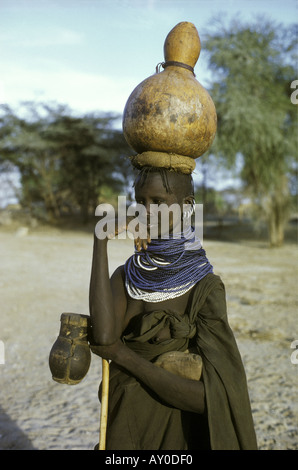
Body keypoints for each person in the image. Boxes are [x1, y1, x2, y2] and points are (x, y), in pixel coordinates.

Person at [89, 166, 258, 450]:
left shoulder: (204, 288)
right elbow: (104, 340)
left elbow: (211, 398)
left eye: (158, 202)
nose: (146, 212)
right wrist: (100, 240)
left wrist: (125, 357)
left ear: (186, 206)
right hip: (124, 429)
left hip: (177, 437)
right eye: (140, 202)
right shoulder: (126, 275)